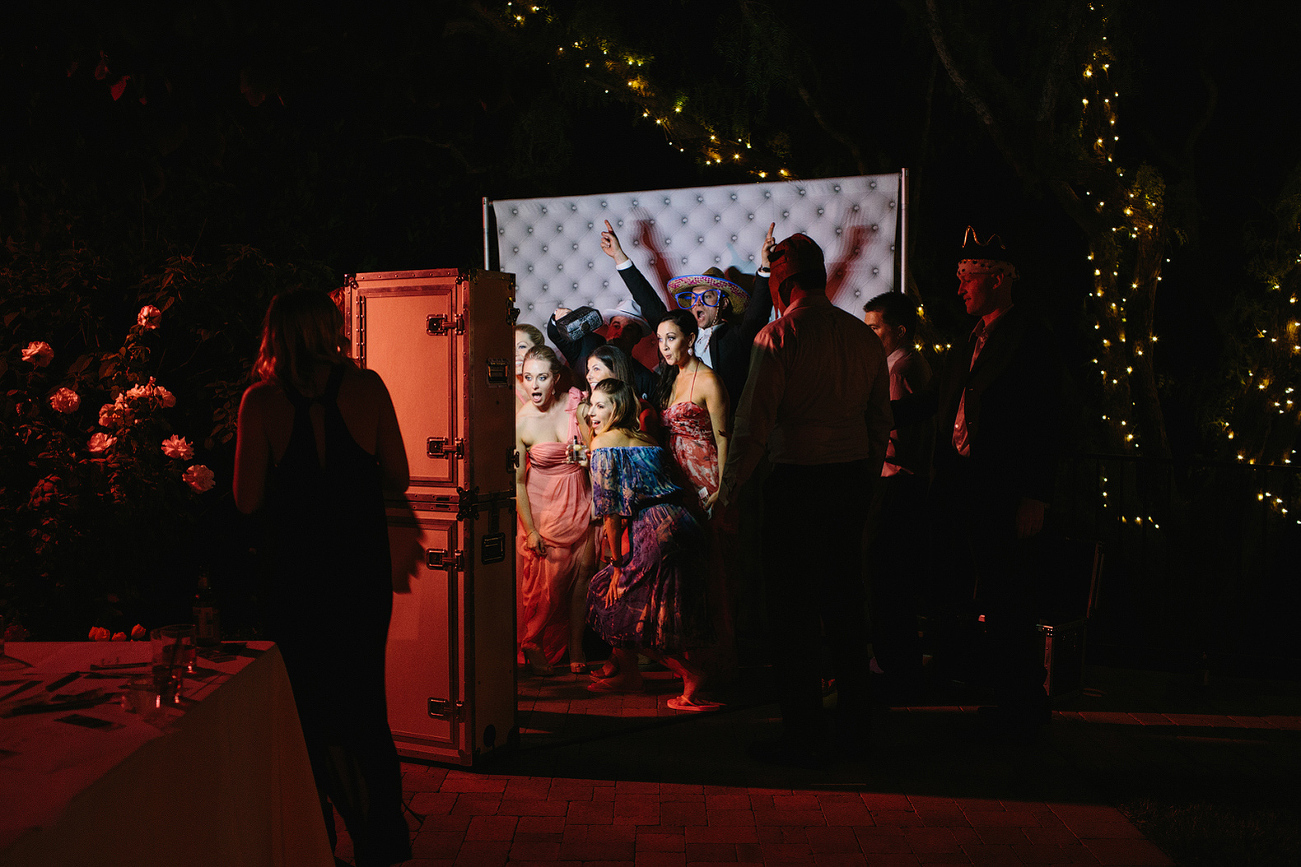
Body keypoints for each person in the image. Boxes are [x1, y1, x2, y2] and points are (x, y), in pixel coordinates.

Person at [233, 288, 411, 867]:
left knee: (305, 709)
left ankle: (314, 842)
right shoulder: (368, 388)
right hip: (359, 573)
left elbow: (247, 499)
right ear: (329, 329)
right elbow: (400, 477)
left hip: (294, 576)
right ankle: (381, 840)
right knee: (363, 704)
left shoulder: (259, 402)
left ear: (276, 334)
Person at [718, 233, 893, 766]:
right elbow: (879, 422)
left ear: (784, 281)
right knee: (845, 607)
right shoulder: (862, 338)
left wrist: (729, 497)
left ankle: (803, 733)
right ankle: (855, 728)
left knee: (793, 615)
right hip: (847, 483)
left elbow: (752, 427)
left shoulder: (778, 336)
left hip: (796, 483)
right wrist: (864, 480)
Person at [929, 226, 1065, 738]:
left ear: (999, 280)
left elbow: (1046, 421)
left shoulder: (1029, 337)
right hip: (966, 485)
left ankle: (1025, 704)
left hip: (1004, 489)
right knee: (985, 594)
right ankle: (1003, 693)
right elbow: (944, 401)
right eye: (960, 278)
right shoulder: (971, 339)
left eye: (969, 278)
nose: (961, 288)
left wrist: (1036, 495)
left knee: (1011, 595)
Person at [584, 378, 718, 711]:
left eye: (601, 405)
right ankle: (629, 674)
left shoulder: (603, 443)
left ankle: (691, 675)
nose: (592, 413)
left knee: (610, 597)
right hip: (684, 524)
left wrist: (616, 566)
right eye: (591, 405)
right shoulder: (644, 438)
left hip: (656, 532)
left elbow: (610, 514)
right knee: (657, 609)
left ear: (616, 407)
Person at [600, 219, 775, 407]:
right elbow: (650, 304)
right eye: (693, 298)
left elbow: (757, 315)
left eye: (707, 297)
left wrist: (765, 268)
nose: (698, 302)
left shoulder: (736, 337)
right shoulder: (678, 336)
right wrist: (619, 257)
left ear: (723, 303)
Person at [861, 291, 933, 696]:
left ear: (899, 330)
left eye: (875, 328)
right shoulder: (907, 363)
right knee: (892, 575)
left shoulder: (897, 368)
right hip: (904, 481)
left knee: (882, 573)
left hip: (893, 481)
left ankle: (889, 663)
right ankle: (896, 660)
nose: (869, 335)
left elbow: (892, 433)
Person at [515, 345, 595, 675]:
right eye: (528, 377)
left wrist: (586, 456)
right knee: (555, 581)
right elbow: (518, 481)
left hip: (582, 497)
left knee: (584, 578)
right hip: (545, 507)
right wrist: (531, 530)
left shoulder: (574, 404)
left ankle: (576, 647)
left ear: (555, 379)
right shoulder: (522, 423)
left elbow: (589, 453)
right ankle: (532, 638)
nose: (534, 385)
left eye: (542, 377)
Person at [653, 310, 730, 511]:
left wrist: (723, 487)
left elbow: (723, 439)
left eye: (671, 338)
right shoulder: (670, 378)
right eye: (660, 339)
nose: (665, 347)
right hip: (676, 476)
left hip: (705, 473)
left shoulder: (709, 381)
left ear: (690, 340)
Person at [548, 306, 657, 400]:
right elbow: (555, 334)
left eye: (628, 329)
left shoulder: (645, 378)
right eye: (616, 326)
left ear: (637, 338)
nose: (619, 333)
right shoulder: (586, 344)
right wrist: (559, 317)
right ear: (609, 328)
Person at [514, 323, 546, 409]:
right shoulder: (503, 390)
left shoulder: (557, 378)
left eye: (522, 346)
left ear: (538, 349)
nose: (514, 353)